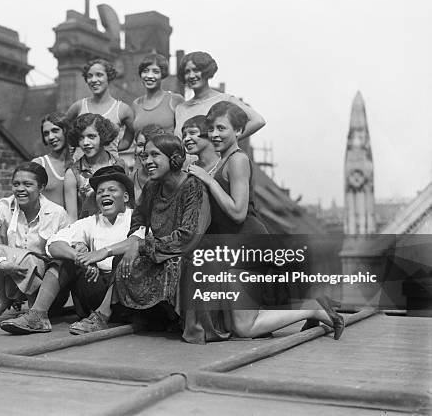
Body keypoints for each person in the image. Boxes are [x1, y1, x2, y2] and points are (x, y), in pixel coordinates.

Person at [186, 101, 344, 342]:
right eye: (212, 129)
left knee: (244, 328)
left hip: (247, 244)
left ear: (238, 132)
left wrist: (209, 182)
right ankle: (308, 307)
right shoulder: (220, 160)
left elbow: (238, 212)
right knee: (235, 323)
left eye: (222, 128)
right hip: (233, 247)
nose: (215, 134)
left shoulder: (237, 160)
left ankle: (312, 308)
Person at [0, 165, 137, 335]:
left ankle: (102, 317)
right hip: (94, 290)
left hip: (125, 297)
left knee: (126, 257)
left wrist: (103, 252)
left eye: (111, 190)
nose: (105, 194)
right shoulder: (91, 221)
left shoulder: (136, 218)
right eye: (100, 192)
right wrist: (81, 258)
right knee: (63, 259)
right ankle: (38, 316)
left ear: (125, 197)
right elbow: (54, 243)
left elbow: (139, 241)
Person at [113, 134, 211, 338]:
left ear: (174, 158)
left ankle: (174, 318)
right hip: (158, 250)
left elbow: (188, 235)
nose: (147, 161)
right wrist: (136, 241)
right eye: (145, 155)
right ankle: (150, 315)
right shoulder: (152, 186)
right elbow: (138, 219)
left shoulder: (193, 186)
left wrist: (142, 247)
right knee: (121, 261)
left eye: (155, 155)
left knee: (174, 265)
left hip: (190, 253)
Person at [0, 162, 70, 318]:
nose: (20, 189)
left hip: (47, 284)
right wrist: (0, 263)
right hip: (14, 275)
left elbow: (62, 255)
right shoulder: (3, 206)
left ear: (41, 187)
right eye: (16, 184)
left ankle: (34, 311)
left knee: (28, 258)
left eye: (27, 184)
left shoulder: (57, 213)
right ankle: (3, 300)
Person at [174, 51, 266, 138]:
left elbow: (258, 121)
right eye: (187, 72)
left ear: (206, 71)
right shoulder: (180, 108)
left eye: (196, 70)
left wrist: (227, 141)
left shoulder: (225, 100)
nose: (191, 76)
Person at [64, 113, 126, 221]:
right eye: (81, 138)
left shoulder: (119, 165)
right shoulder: (72, 174)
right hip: (88, 233)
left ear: (103, 136)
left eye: (91, 137)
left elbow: (128, 205)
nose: (85, 143)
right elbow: (72, 218)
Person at [65, 59, 135, 156]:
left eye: (99, 75)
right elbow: (62, 128)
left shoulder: (123, 109)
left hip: (108, 168)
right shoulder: (78, 106)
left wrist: (112, 148)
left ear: (109, 77)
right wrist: (73, 150)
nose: (93, 80)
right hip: (80, 167)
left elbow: (130, 135)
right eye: (90, 76)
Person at [132, 53, 184, 135]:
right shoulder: (136, 103)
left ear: (162, 74)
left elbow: (184, 133)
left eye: (155, 72)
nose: (149, 76)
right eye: (145, 71)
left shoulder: (175, 99)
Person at [31, 112, 72, 208]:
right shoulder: (39, 164)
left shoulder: (80, 163)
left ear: (66, 130)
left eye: (55, 130)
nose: (51, 137)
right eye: (46, 133)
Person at [130, 124, 165, 202]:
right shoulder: (133, 177)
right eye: (140, 145)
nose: (144, 150)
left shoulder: (168, 175)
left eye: (149, 145)